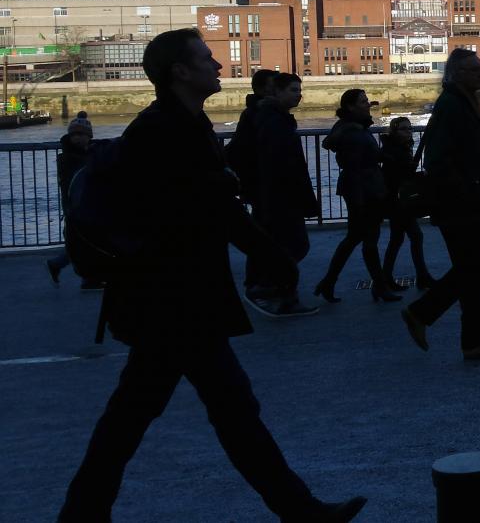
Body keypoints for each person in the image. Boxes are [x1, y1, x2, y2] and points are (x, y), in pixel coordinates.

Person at [57, 28, 365, 523]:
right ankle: (300, 510)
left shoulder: (175, 124)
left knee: (161, 414)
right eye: (205, 57)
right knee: (206, 413)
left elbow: (210, 205)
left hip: (171, 299)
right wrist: (274, 257)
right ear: (180, 71)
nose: (217, 64)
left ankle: (83, 513)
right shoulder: (168, 131)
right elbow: (214, 211)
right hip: (174, 300)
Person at [399, 49, 480, 361]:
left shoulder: (462, 102)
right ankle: (422, 314)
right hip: (459, 205)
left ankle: (476, 342)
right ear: (457, 73)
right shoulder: (452, 105)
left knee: (477, 272)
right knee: (472, 270)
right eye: (475, 70)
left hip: (465, 202)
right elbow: (438, 160)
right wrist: (468, 189)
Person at [315, 90, 401, 304]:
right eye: (363, 101)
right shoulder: (353, 132)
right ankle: (379, 286)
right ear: (351, 106)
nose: (368, 104)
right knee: (368, 239)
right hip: (364, 189)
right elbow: (358, 163)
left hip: (363, 188)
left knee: (355, 237)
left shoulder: (350, 127)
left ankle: (329, 282)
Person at [249, 73, 320, 318]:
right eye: (293, 90)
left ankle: (278, 291)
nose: (299, 95)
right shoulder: (275, 122)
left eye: (299, 90)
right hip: (282, 197)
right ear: (276, 92)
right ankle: (273, 290)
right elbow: (278, 164)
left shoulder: (274, 118)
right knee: (295, 245)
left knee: (288, 245)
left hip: (280, 196)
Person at [227, 68, 279, 302]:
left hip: (258, 184)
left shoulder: (255, 113)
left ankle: (260, 281)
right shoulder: (260, 114)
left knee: (265, 232)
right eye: (273, 86)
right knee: (266, 234)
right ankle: (260, 283)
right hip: (262, 185)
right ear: (262, 89)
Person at [379, 116, 435, 290]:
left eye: (410, 128)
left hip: (397, 200)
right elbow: (399, 176)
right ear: (394, 131)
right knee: (408, 237)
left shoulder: (397, 148)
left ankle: (389, 278)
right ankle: (417, 276)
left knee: (401, 238)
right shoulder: (395, 150)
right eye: (404, 129)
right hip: (397, 201)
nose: (408, 132)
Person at [47, 114, 102, 289]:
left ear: (88, 136)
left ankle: (57, 264)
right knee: (86, 242)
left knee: (81, 243)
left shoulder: (77, 155)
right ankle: (88, 278)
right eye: (74, 135)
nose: (77, 138)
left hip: (82, 205)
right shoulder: (72, 159)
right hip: (77, 206)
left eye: (81, 134)